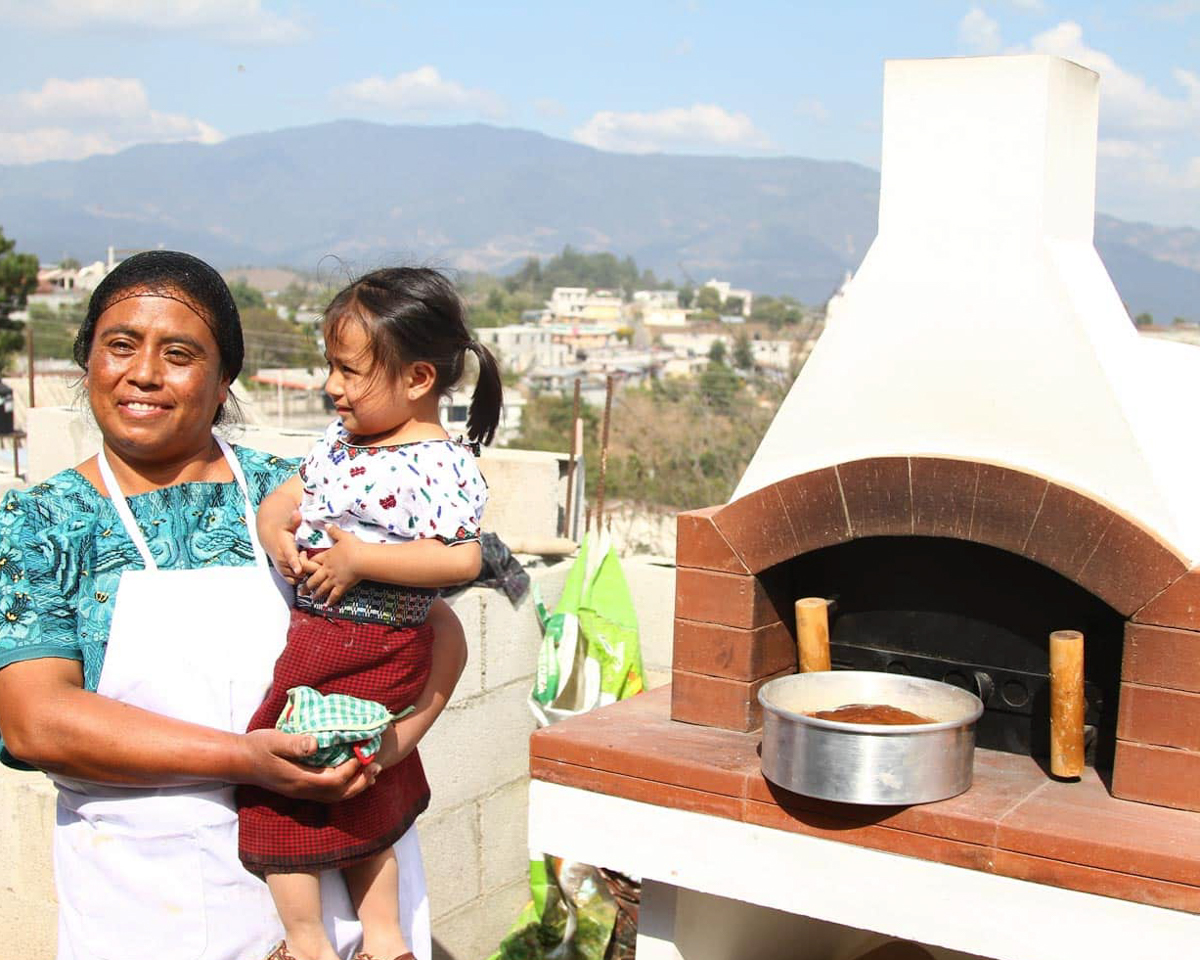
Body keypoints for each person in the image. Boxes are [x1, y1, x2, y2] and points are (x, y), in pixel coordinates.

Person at [0, 251, 468, 960]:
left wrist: (392, 748)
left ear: (224, 382)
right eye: (120, 345)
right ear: (87, 361)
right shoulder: (42, 525)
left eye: (180, 353)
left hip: (347, 891)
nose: (145, 373)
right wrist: (247, 760)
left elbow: (437, 625)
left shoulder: (303, 495)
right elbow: (37, 721)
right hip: (150, 904)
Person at [237, 267, 502, 960]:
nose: (333, 386)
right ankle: (384, 942)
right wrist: (278, 536)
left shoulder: (440, 464)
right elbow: (278, 503)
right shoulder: (339, 445)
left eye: (349, 371)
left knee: (287, 777)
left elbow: (460, 561)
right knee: (355, 779)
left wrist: (360, 562)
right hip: (323, 632)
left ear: (417, 379)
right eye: (332, 366)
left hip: (372, 641)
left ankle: (312, 944)